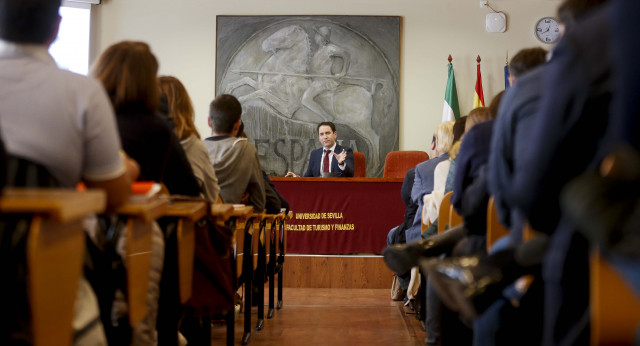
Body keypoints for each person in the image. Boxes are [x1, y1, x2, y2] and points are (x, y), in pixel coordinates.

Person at [0, 0, 138, 343]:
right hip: (40, 265)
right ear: (56, 26)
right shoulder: (81, 92)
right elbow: (112, 197)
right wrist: (128, 169)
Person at [92, 41, 201, 198]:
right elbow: (188, 190)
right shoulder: (155, 128)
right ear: (149, 82)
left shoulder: (87, 118)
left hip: (79, 213)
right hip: (136, 216)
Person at [488, 47, 548, 246]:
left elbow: (500, 171)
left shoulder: (513, 102)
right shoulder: (575, 90)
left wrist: (509, 220)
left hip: (530, 224)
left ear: (511, 81)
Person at [159, 75, 220, 203]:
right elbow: (212, 196)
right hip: (186, 220)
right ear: (185, 107)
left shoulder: (140, 142)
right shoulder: (195, 146)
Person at [204, 94, 266, 212]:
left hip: (195, 225)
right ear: (238, 125)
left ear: (209, 122)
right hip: (228, 226)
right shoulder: (246, 149)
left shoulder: (197, 149)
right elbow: (259, 203)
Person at [301, 26, 350, 121]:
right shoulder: (320, 50)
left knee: (305, 99)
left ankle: (327, 117)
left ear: (322, 37)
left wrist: (343, 72)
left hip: (324, 80)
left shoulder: (330, 48)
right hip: (316, 79)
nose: (315, 37)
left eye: (317, 35)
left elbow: (346, 55)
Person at [285, 121, 355, 178]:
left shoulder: (345, 151)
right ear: (319, 137)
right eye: (321, 134)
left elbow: (351, 174)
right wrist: (297, 179)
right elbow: (308, 177)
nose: (325, 137)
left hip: (338, 191)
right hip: (318, 192)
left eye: (328, 133)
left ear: (335, 134)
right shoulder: (315, 154)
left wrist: (341, 163)